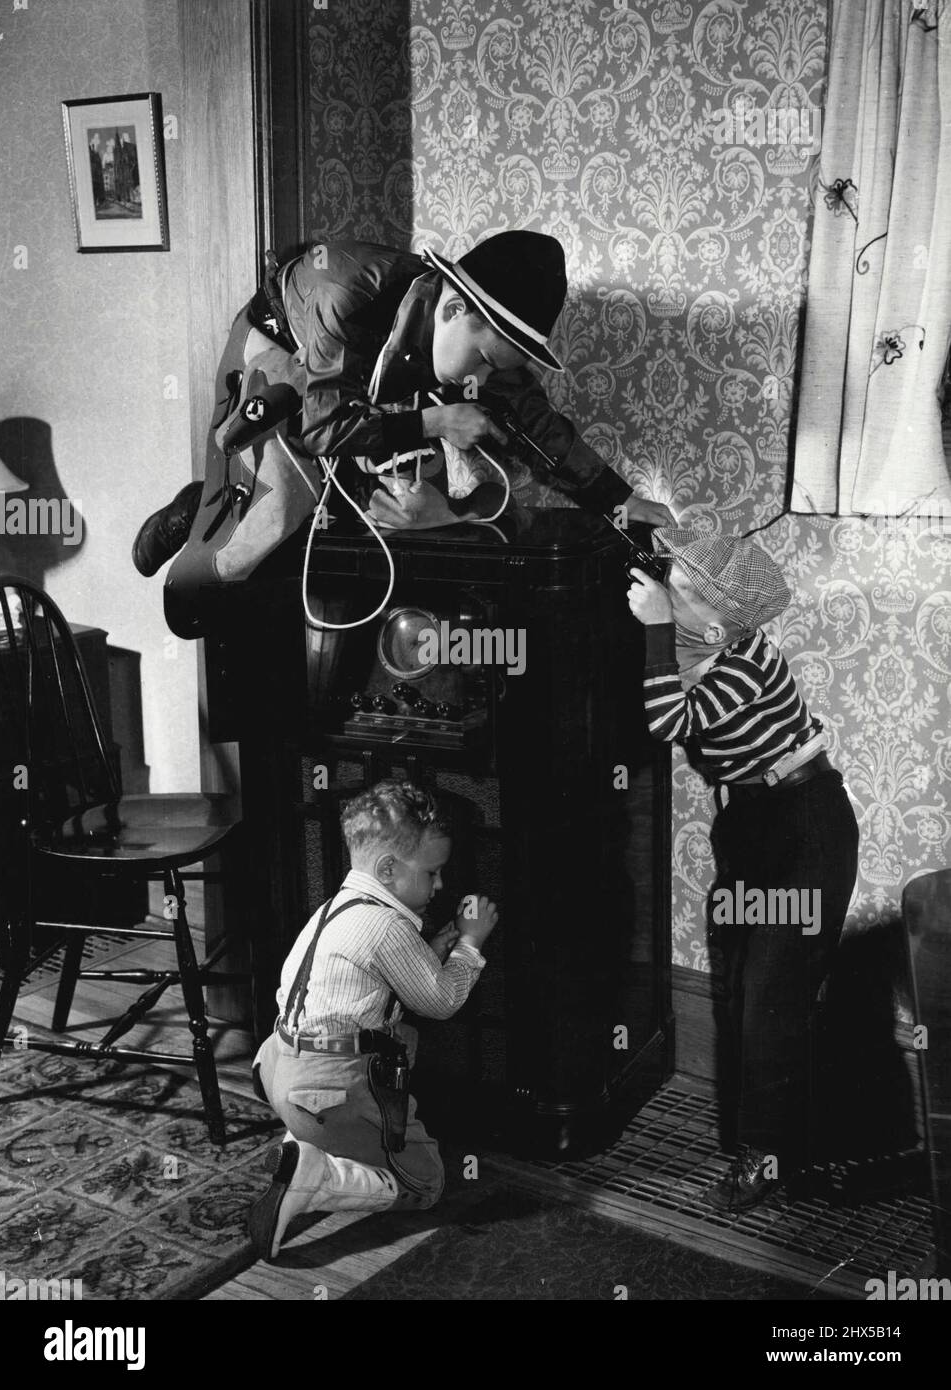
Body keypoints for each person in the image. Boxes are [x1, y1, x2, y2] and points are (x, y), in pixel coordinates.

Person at [132, 231, 674, 576]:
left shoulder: (481, 349)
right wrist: (438, 419)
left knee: (413, 508)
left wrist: (619, 501)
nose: (485, 381)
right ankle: (199, 500)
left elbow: (539, 428)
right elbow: (321, 428)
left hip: (359, 387)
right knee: (276, 515)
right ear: (454, 306)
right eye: (483, 361)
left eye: (497, 371)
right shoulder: (346, 292)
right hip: (282, 352)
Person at [626, 529, 859, 1211]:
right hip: (754, 829)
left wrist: (654, 628)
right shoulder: (710, 641)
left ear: (714, 619)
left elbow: (667, 720)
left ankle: (768, 1157)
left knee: (769, 998)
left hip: (802, 830)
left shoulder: (744, 662)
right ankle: (790, 1139)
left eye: (680, 588)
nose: (666, 586)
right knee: (747, 985)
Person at [247, 779, 498, 1261]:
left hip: (281, 1065)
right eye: (432, 873)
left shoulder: (335, 907)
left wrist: (428, 954)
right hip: (328, 1083)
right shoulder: (388, 924)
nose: (440, 885)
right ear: (388, 869)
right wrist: (470, 943)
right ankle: (319, 1174)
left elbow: (364, 981)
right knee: (427, 1181)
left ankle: (306, 1136)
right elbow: (442, 1001)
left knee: (398, 1035)